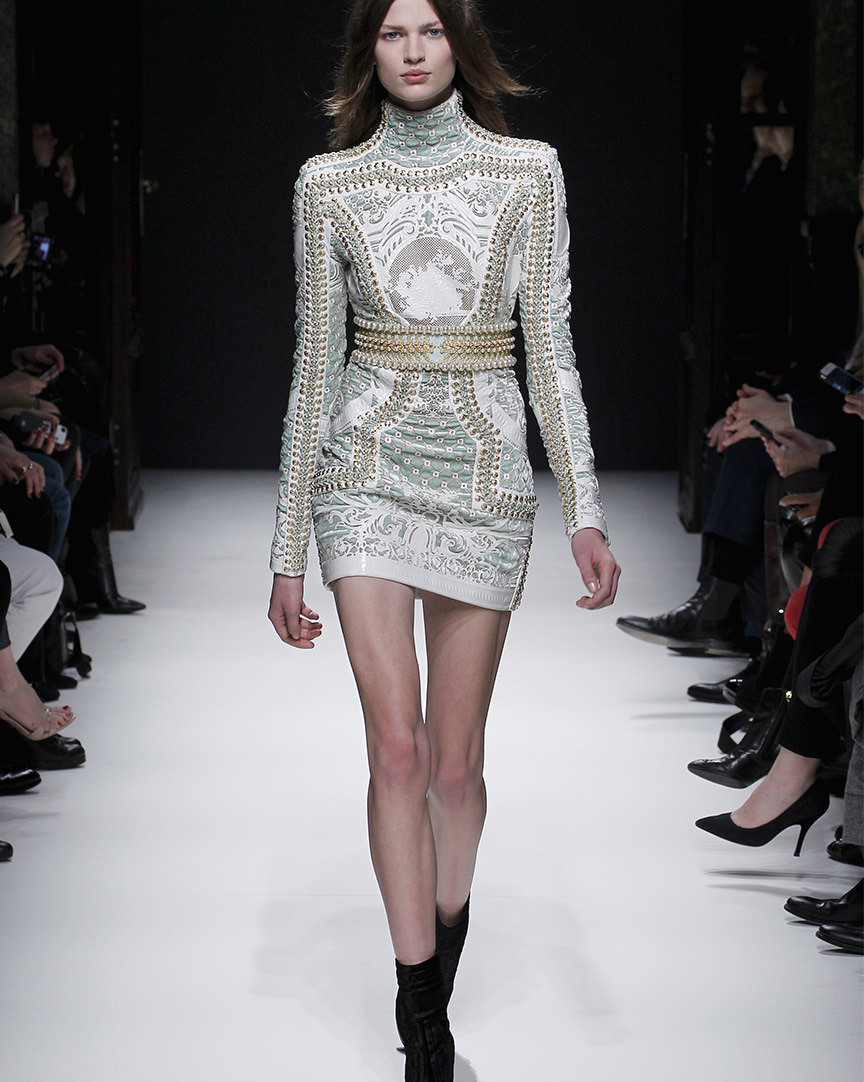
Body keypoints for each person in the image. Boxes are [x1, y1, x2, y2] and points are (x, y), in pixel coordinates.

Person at [267, 2, 620, 1078]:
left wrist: (585, 506)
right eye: (391, 33)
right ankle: (425, 1015)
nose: (413, 50)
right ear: (367, 52)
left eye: (428, 30)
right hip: (364, 469)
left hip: (483, 473)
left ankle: (440, 940)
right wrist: (288, 548)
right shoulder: (328, 184)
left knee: (457, 769)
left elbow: (549, 347)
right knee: (399, 750)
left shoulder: (529, 173)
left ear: (459, 44)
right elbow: (315, 364)